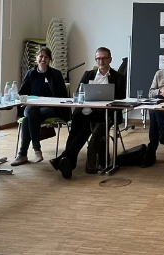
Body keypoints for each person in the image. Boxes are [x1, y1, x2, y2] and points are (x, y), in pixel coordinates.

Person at [49, 47, 126, 179]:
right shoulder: (88, 74)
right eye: (98, 58)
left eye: (104, 58)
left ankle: (66, 158)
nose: (101, 61)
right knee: (80, 120)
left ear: (110, 60)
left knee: (80, 122)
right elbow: (79, 94)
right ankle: (67, 160)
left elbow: (121, 99)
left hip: (107, 113)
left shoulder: (119, 77)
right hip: (88, 111)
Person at [12, 47, 70, 166]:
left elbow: (63, 96)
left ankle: (24, 154)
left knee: (28, 117)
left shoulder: (56, 74)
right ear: (36, 58)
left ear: (50, 60)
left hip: (52, 108)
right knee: (30, 113)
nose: (43, 59)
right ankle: (36, 150)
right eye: (41, 56)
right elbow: (22, 94)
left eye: (46, 57)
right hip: (33, 108)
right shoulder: (30, 73)